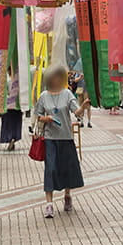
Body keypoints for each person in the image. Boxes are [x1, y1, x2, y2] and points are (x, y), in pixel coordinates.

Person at [34, 64, 88, 218]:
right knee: (50, 169)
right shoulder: (44, 96)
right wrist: (47, 118)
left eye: (58, 76)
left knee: (67, 169)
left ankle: (67, 195)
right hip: (50, 138)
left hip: (66, 137)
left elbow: (76, 112)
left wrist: (83, 106)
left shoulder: (67, 94)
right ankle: (49, 204)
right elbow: (38, 115)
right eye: (52, 77)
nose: (55, 79)